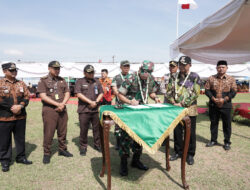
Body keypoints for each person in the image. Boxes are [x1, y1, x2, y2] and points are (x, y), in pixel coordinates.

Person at [117, 60, 161, 176]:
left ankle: (136, 160)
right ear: (140, 70)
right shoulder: (131, 78)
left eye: (148, 73)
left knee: (140, 137)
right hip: (129, 112)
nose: (146, 75)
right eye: (144, 72)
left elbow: (151, 92)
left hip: (142, 112)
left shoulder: (150, 78)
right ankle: (123, 163)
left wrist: (155, 98)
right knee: (125, 138)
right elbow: (120, 95)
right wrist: (130, 101)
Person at [166, 56, 201, 165]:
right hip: (176, 108)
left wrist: (182, 103)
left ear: (190, 65)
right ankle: (178, 152)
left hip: (190, 109)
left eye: (184, 64)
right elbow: (168, 91)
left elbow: (196, 93)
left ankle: (190, 154)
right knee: (177, 131)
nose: (181, 66)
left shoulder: (194, 76)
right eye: (180, 64)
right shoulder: (174, 76)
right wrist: (173, 102)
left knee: (190, 132)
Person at [37, 61, 73, 164]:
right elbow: (43, 96)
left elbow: (67, 92)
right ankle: (47, 153)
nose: (57, 70)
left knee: (63, 131)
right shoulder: (43, 80)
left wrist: (63, 104)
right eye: (55, 68)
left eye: (58, 68)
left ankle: (62, 149)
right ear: (49, 68)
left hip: (62, 109)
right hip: (50, 110)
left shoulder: (62, 80)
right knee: (49, 132)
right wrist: (58, 105)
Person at [0, 62, 32, 172]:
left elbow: (27, 96)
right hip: (4, 118)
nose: (14, 72)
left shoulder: (21, 83)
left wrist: (20, 106)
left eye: (15, 70)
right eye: (11, 70)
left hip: (20, 117)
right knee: (4, 140)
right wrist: (12, 107)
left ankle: (21, 157)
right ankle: (5, 161)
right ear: (4, 71)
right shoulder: (0, 82)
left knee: (20, 138)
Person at [205, 60, 237, 150]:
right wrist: (213, 98)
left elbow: (234, 91)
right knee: (213, 123)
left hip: (226, 105)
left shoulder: (231, 79)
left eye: (223, 67)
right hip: (213, 104)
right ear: (216, 68)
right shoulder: (211, 78)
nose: (221, 69)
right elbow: (207, 90)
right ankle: (213, 140)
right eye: (219, 67)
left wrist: (225, 99)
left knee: (227, 124)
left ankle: (227, 142)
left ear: (227, 68)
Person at [75, 65, 103, 156]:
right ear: (84, 73)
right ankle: (83, 147)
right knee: (84, 129)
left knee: (97, 129)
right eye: (89, 72)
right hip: (84, 110)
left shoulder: (97, 81)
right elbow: (78, 94)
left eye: (93, 72)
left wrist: (96, 102)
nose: (91, 74)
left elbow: (101, 93)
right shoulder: (80, 81)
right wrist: (90, 102)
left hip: (95, 110)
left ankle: (97, 144)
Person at [111, 60, 131, 150]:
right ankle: (118, 143)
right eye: (124, 66)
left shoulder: (132, 77)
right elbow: (115, 90)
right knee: (118, 124)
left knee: (130, 124)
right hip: (120, 104)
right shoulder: (116, 77)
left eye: (127, 66)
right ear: (121, 67)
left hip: (130, 104)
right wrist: (120, 96)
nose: (126, 68)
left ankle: (130, 142)